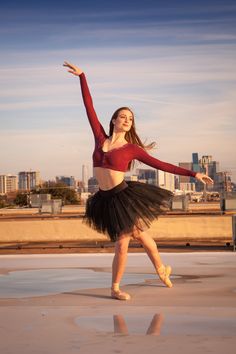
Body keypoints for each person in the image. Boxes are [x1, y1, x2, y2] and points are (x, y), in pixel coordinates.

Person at [63, 61, 213, 300]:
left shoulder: (132, 149)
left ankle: (115, 288)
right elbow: (88, 106)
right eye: (122, 117)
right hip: (104, 199)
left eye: (130, 119)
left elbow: (162, 165)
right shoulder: (99, 137)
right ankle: (162, 270)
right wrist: (82, 76)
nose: (126, 120)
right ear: (113, 120)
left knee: (123, 243)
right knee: (141, 235)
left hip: (123, 197)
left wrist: (194, 174)